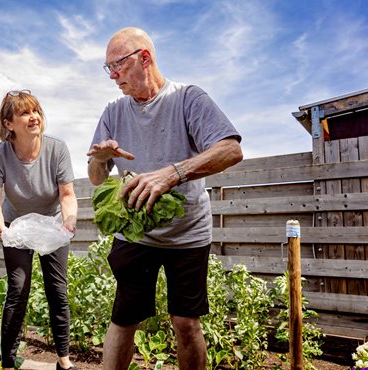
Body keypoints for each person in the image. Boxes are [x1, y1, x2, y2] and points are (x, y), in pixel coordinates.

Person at [87, 27, 243, 370]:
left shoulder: (188, 98)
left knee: (185, 323)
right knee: (124, 318)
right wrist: (100, 159)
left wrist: (174, 173)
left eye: (118, 66)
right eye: (108, 69)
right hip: (135, 232)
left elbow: (231, 149)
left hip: (187, 232)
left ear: (145, 58)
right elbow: (97, 179)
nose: (112, 76)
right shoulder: (113, 111)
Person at [0, 90, 78, 370]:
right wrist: (0, 227)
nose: (34, 116)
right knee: (18, 289)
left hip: (52, 225)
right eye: (25, 112)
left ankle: (63, 359)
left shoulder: (56, 149)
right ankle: (8, 364)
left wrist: (69, 219)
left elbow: (68, 194)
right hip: (16, 227)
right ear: (8, 123)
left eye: (36, 110)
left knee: (57, 290)